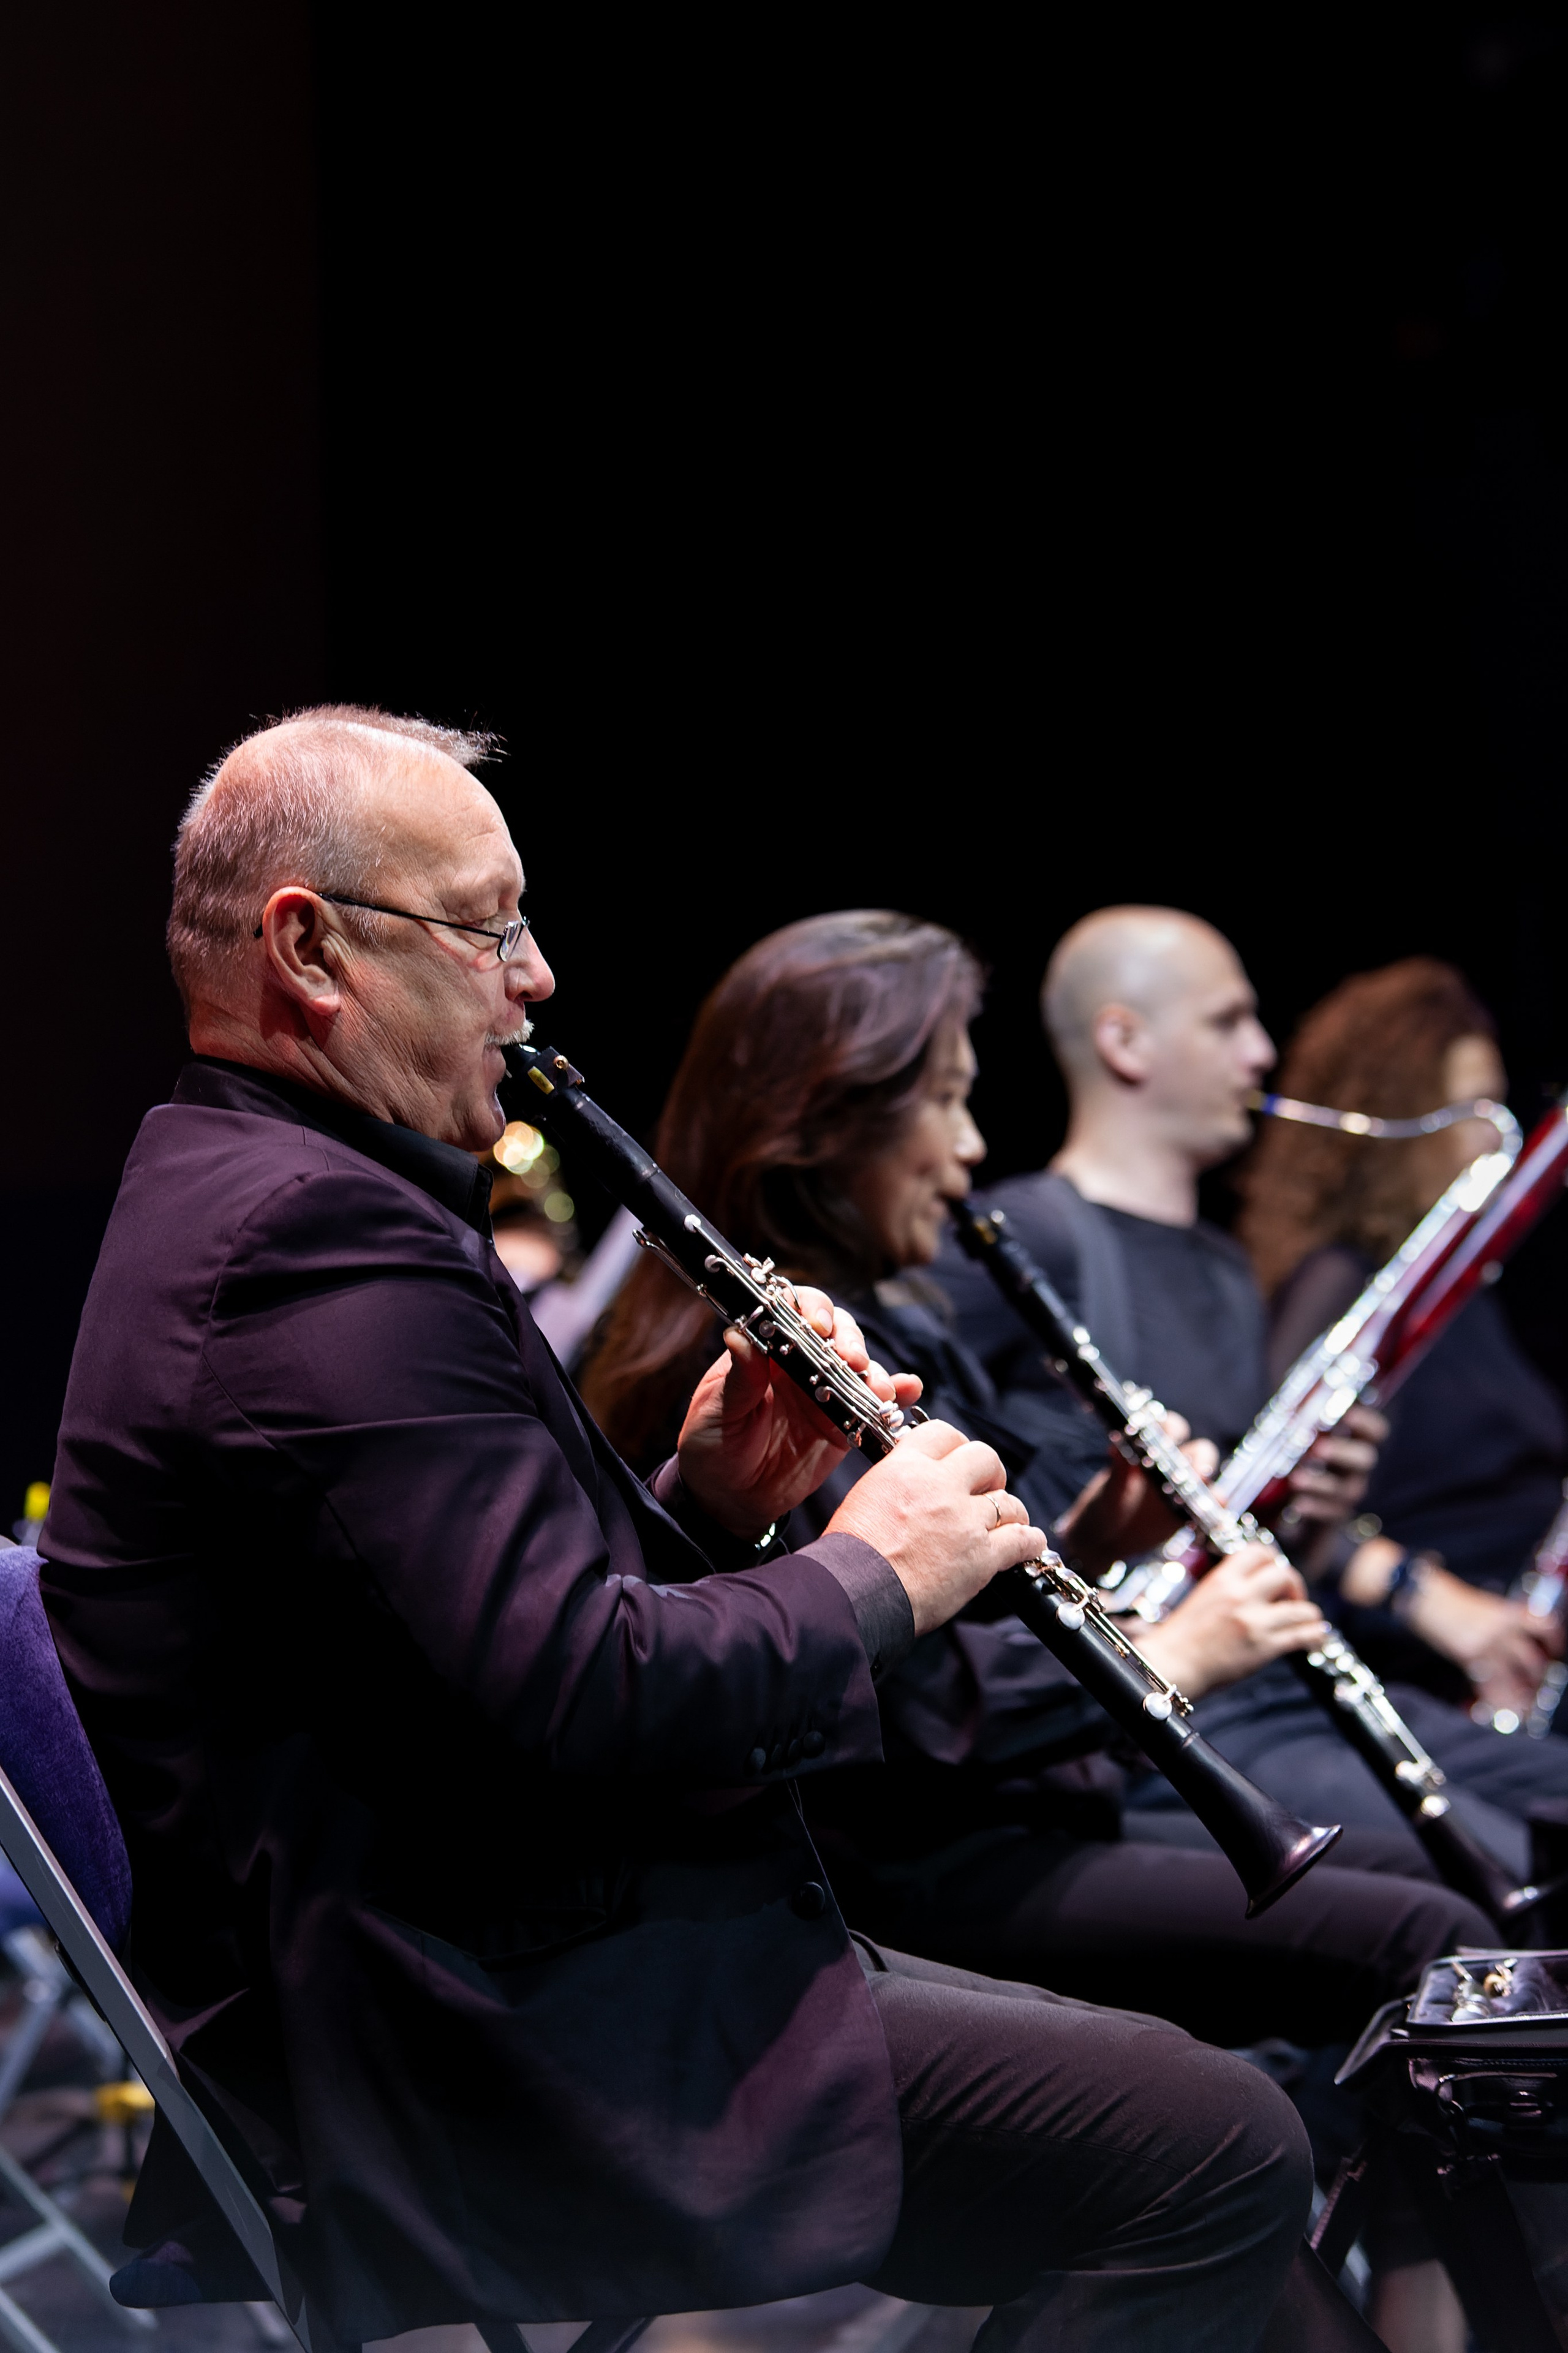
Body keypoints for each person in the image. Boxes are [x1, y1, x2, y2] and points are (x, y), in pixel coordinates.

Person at [38, 719, 1352, 2353]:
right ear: (311, 949)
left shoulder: (276, 1192)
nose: (538, 977)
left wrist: (713, 1503)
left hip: (523, 1963)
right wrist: (875, 1567)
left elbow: (477, 1663)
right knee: (1218, 2151)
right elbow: (587, 1696)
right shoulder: (309, 1242)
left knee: (1221, 2144)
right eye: (488, 924)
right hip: (481, 2054)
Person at [583, 910, 1494, 2352]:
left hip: (997, 1817)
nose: (964, 1148)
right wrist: (1176, 1654)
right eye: (943, 1097)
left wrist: (1087, 1550)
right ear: (827, 1122)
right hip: (896, 1868)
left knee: (1394, 1982)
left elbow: (948, 1639)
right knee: (1342, 2011)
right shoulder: (732, 1370)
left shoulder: (904, 1324)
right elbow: (894, 1719)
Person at [932, 905, 1568, 1880]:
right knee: (1516, 1870)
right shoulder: (1024, 1238)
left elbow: (1258, 1544)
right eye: (1228, 1023)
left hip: (1283, 1685)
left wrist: (1318, 1517)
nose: (1262, 1052)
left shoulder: (1230, 1271)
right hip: (1156, 1716)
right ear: (1125, 1041)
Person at [1236, 956, 1568, 1725]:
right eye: (1464, 1109)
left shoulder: (1468, 1295)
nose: (1494, 1139)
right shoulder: (1344, 1280)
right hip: (1429, 1673)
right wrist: (1420, 1591)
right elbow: (1268, 1480)